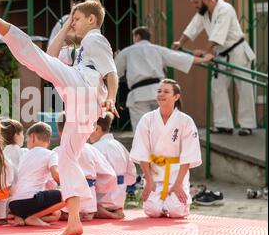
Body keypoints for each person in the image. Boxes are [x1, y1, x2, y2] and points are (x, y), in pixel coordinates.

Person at [0, 0, 119, 235]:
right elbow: (50, 55)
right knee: (66, 158)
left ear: (92, 19)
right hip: (80, 101)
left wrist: (112, 98)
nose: (72, 23)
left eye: (76, 19)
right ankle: (74, 221)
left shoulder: (95, 38)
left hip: (84, 87)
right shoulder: (78, 51)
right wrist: (67, 26)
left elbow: (112, 73)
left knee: (33, 57)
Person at [173, 0, 257, 136]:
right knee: (217, 86)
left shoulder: (225, 9)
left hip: (237, 52)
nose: (195, 6)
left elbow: (218, 35)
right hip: (220, 54)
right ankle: (223, 124)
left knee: (244, 87)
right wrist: (180, 42)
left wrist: (205, 53)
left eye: (196, 2)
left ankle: (247, 125)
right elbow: (192, 28)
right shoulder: (203, 13)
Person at [116, 26, 214, 132]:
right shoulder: (157, 49)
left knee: (142, 131)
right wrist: (204, 59)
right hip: (159, 91)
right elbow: (179, 58)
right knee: (164, 128)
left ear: (137, 36)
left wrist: (116, 57)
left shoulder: (127, 51)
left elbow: (115, 71)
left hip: (138, 95)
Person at [130, 79, 202, 218]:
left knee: (177, 211)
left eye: (166, 92)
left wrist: (179, 184)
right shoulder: (147, 119)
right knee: (152, 211)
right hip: (154, 173)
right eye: (159, 91)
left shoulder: (185, 121)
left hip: (176, 173)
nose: (161, 94)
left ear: (176, 96)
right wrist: (149, 181)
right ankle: (162, 204)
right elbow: (142, 151)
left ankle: (177, 201)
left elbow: (189, 154)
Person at [55, 113, 116, 221]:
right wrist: (95, 187)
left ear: (60, 133)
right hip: (89, 205)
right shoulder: (91, 149)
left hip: (66, 206)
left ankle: (71, 215)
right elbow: (110, 176)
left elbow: (50, 180)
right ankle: (92, 211)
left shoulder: (56, 152)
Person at [8, 122, 64, 227]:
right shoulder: (51, 154)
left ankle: (21, 216)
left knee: (56, 215)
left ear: (33, 137)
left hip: (14, 205)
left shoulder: (24, 155)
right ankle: (33, 218)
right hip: (31, 200)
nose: (27, 142)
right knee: (70, 193)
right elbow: (56, 175)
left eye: (27, 139)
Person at [89, 112, 136, 219]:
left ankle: (102, 211)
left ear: (97, 128)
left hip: (100, 201)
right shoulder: (120, 146)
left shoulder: (95, 149)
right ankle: (116, 210)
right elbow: (132, 177)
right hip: (118, 201)